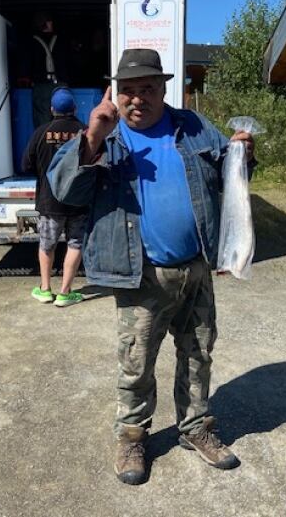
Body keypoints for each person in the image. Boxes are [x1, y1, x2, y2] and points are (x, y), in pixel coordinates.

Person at [48, 49, 255, 485]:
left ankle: (195, 428)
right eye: (128, 91)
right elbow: (65, 189)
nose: (137, 99)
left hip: (195, 265)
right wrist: (92, 136)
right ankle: (132, 437)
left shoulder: (194, 127)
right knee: (136, 362)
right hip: (139, 272)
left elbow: (226, 175)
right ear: (115, 94)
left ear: (164, 89)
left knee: (198, 354)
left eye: (147, 89)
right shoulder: (105, 137)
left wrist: (241, 155)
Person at [22, 87, 87, 307]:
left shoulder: (41, 132)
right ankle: (65, 293)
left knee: (46, 245)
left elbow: (26, 164)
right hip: (79, 202)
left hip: (49, 202)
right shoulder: (85, 132)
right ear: (75, 108)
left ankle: (45, 289)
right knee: (75, 244)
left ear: (52, 109)